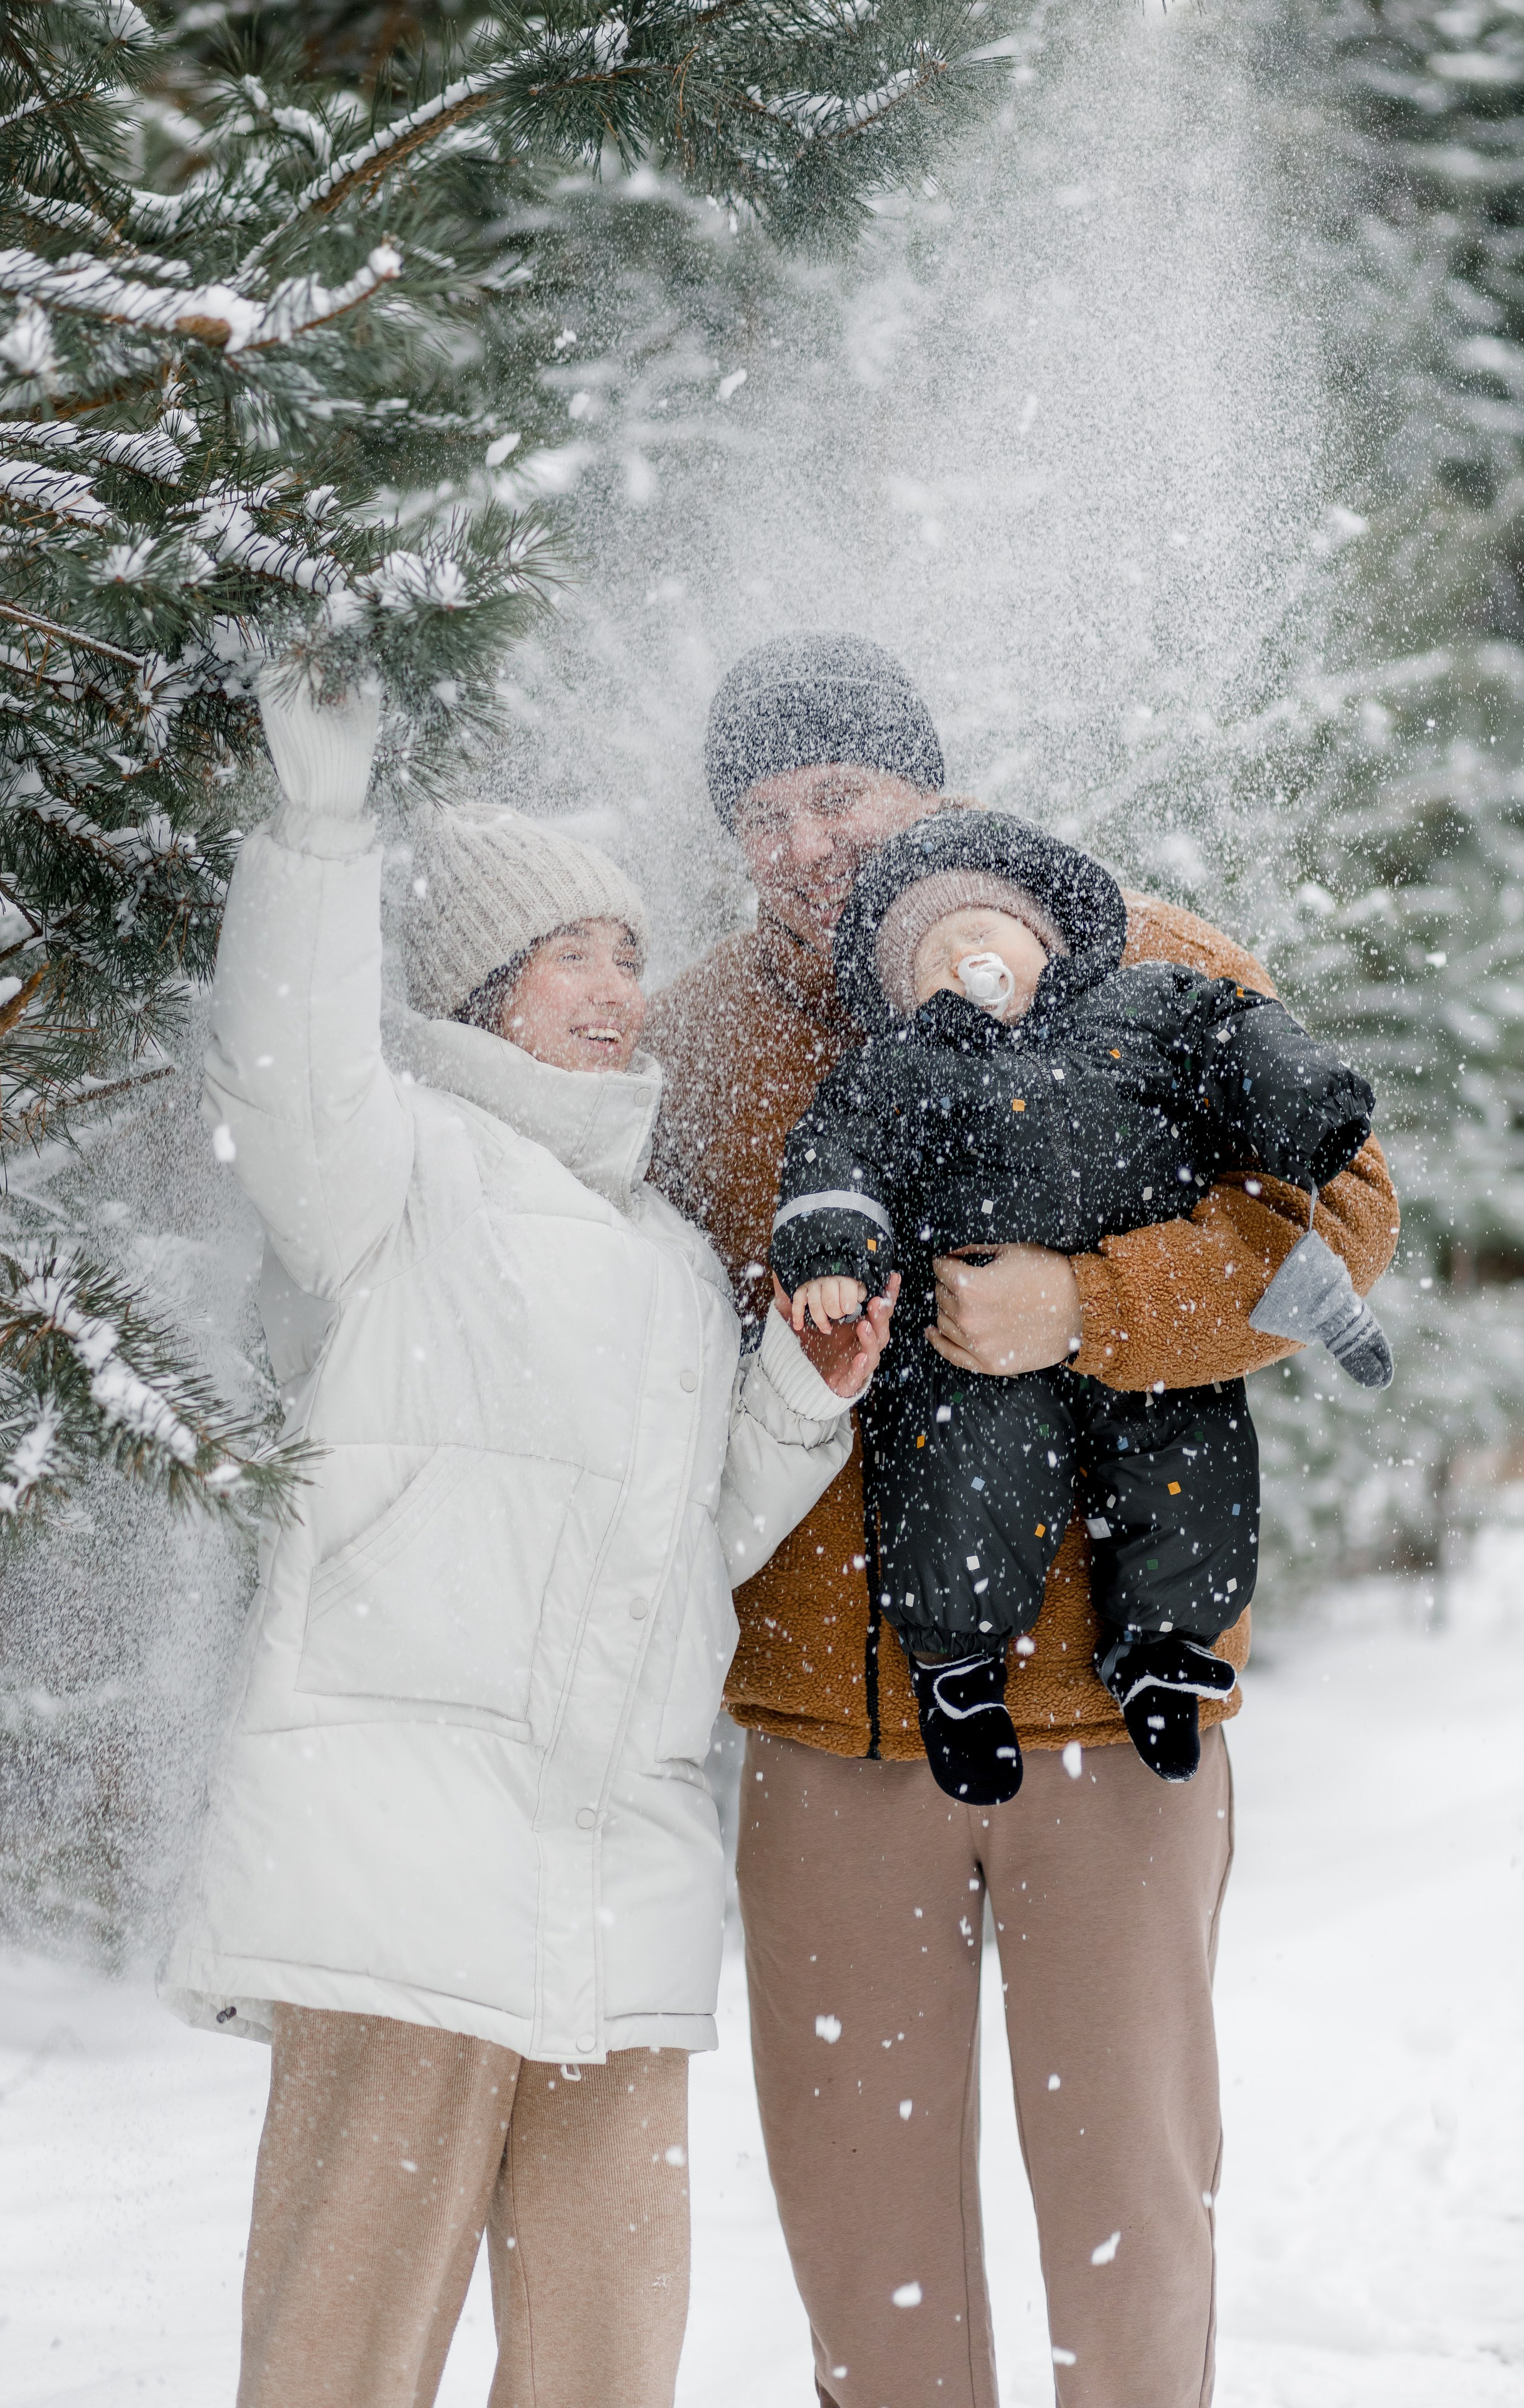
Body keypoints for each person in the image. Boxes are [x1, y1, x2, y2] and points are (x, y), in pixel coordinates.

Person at [644, 631, 1400, 2408]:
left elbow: (1345, 1217)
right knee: (865, 2248)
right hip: (826, 1727)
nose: (803, 844)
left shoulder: (1131, 949)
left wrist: (1093, 1305)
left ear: (929, 783)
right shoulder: (697, 1038)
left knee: (1126, 2207)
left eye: (839, 794)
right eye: (762, 815)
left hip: (1105, 1712)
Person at [159, 667, 893, 2408]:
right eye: (572, 954)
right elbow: (289, 1063)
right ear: (479, 986)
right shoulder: (392, 1172)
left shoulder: (660, 1250)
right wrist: (319, 830)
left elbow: (691, 1547)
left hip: (617, 1865)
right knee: (342, 2348)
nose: (618, 990)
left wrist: (800, 1400)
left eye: (630, 955)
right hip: (401, 1858)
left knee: (606, 2353)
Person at [770, 806, 1389, 1796]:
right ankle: (959, 1672)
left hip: (1145, 1317)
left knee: (1187, 1461)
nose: (965, 956)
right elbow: (832, 1152)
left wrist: (1302, 1105)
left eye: (983, 929)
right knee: (963, 1475)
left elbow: (1240, 1037)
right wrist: (832, 1249)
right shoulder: (899, 1068)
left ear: (1045, 933)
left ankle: (1166, 1652)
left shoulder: (1147, 999)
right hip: (967, 1339)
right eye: (931, 956)